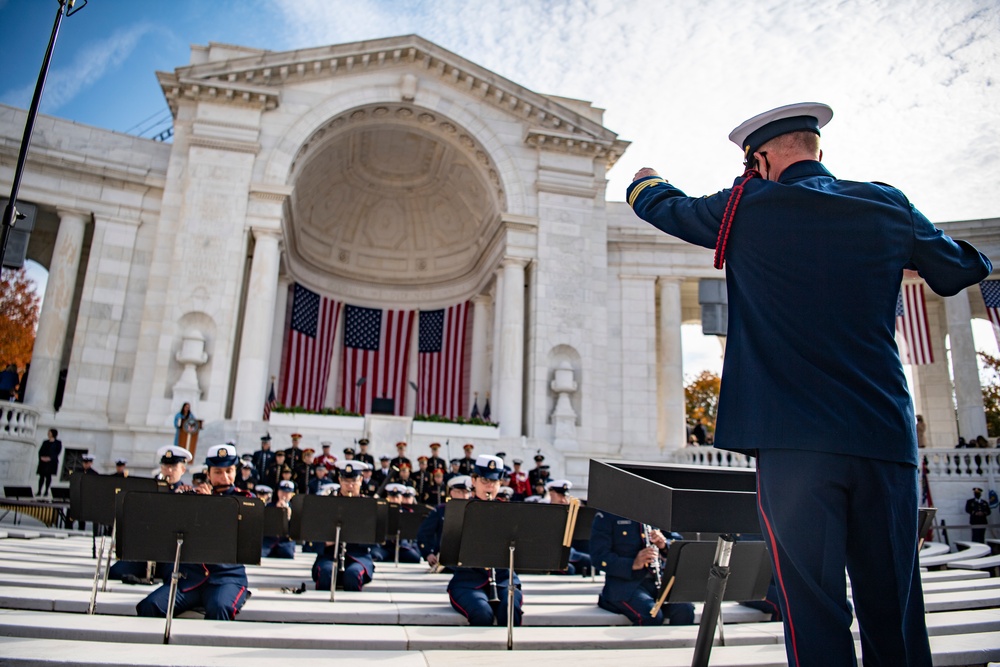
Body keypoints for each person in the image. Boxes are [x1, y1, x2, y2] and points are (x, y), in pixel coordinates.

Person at [626, 102, 991, 665]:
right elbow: (961, 269)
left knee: (814, 612)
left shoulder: (744, 206)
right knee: (894, 608)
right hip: (882, 437)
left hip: (794, 445)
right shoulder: (886, 203)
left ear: (762, 158)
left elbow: (664, 207)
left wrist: (645, 177)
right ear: (819, 150)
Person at [136, 444, 253, 620]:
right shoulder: (194, 496)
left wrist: (209, 505)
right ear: (208, 474)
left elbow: (240, 536)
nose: (225, 477)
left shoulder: (245, 501)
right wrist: (183, 501)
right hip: (190, 578)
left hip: (226, 578)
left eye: (229, 471)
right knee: (150, 606)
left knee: (219, 608)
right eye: (218, 472)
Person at [445, 455, 523, 626]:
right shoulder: (461, 511)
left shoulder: (509, 512)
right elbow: (449, 554)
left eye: (494, 481)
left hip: (503, 581)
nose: (490, 486)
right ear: (474, 480)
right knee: (482, 613)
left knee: (509, 610)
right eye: (485, 480)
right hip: (469, 582)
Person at [590, 509, 694, 626]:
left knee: (685, 610)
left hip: (658, 581)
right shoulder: (608, 515)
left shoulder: (658, 511)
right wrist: (633, 563)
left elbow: (678, 543)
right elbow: (598, 557)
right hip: (625, 585)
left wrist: (664, 545)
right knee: (651, 615)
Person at [311, 461, 376, 592]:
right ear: (339, 480)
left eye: (354, 482)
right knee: (325, 574)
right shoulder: (328, 504)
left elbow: (374, 540)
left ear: (361, 480)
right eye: (346, 482)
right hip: (330, 555)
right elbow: (314, 535)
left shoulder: (368, 506)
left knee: (353, 575)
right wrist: (326, 542)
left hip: (358, 557)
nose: (350, 486)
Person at [263, 480, 296, 558]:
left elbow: (296, 530)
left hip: (285, 542)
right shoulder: (269, 506)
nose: (284, 495)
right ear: (278, 492)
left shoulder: (295, 508)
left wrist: (289, 516)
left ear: (291, 495)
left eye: (287, 493)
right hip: (269, 541)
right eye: (282, 492)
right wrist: (275, 512)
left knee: (287, 554)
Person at [36, 429, 62, 497]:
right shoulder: (45, 442)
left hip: (51, 462)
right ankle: (39, 491)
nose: (48, 433)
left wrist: (50, 458)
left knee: (48, 476)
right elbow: (40, 451)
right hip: (43, 461)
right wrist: (41, 458)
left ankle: (46, 491)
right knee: (41, 476)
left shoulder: (58, 442)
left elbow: (57, 452)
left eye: (49, 432)